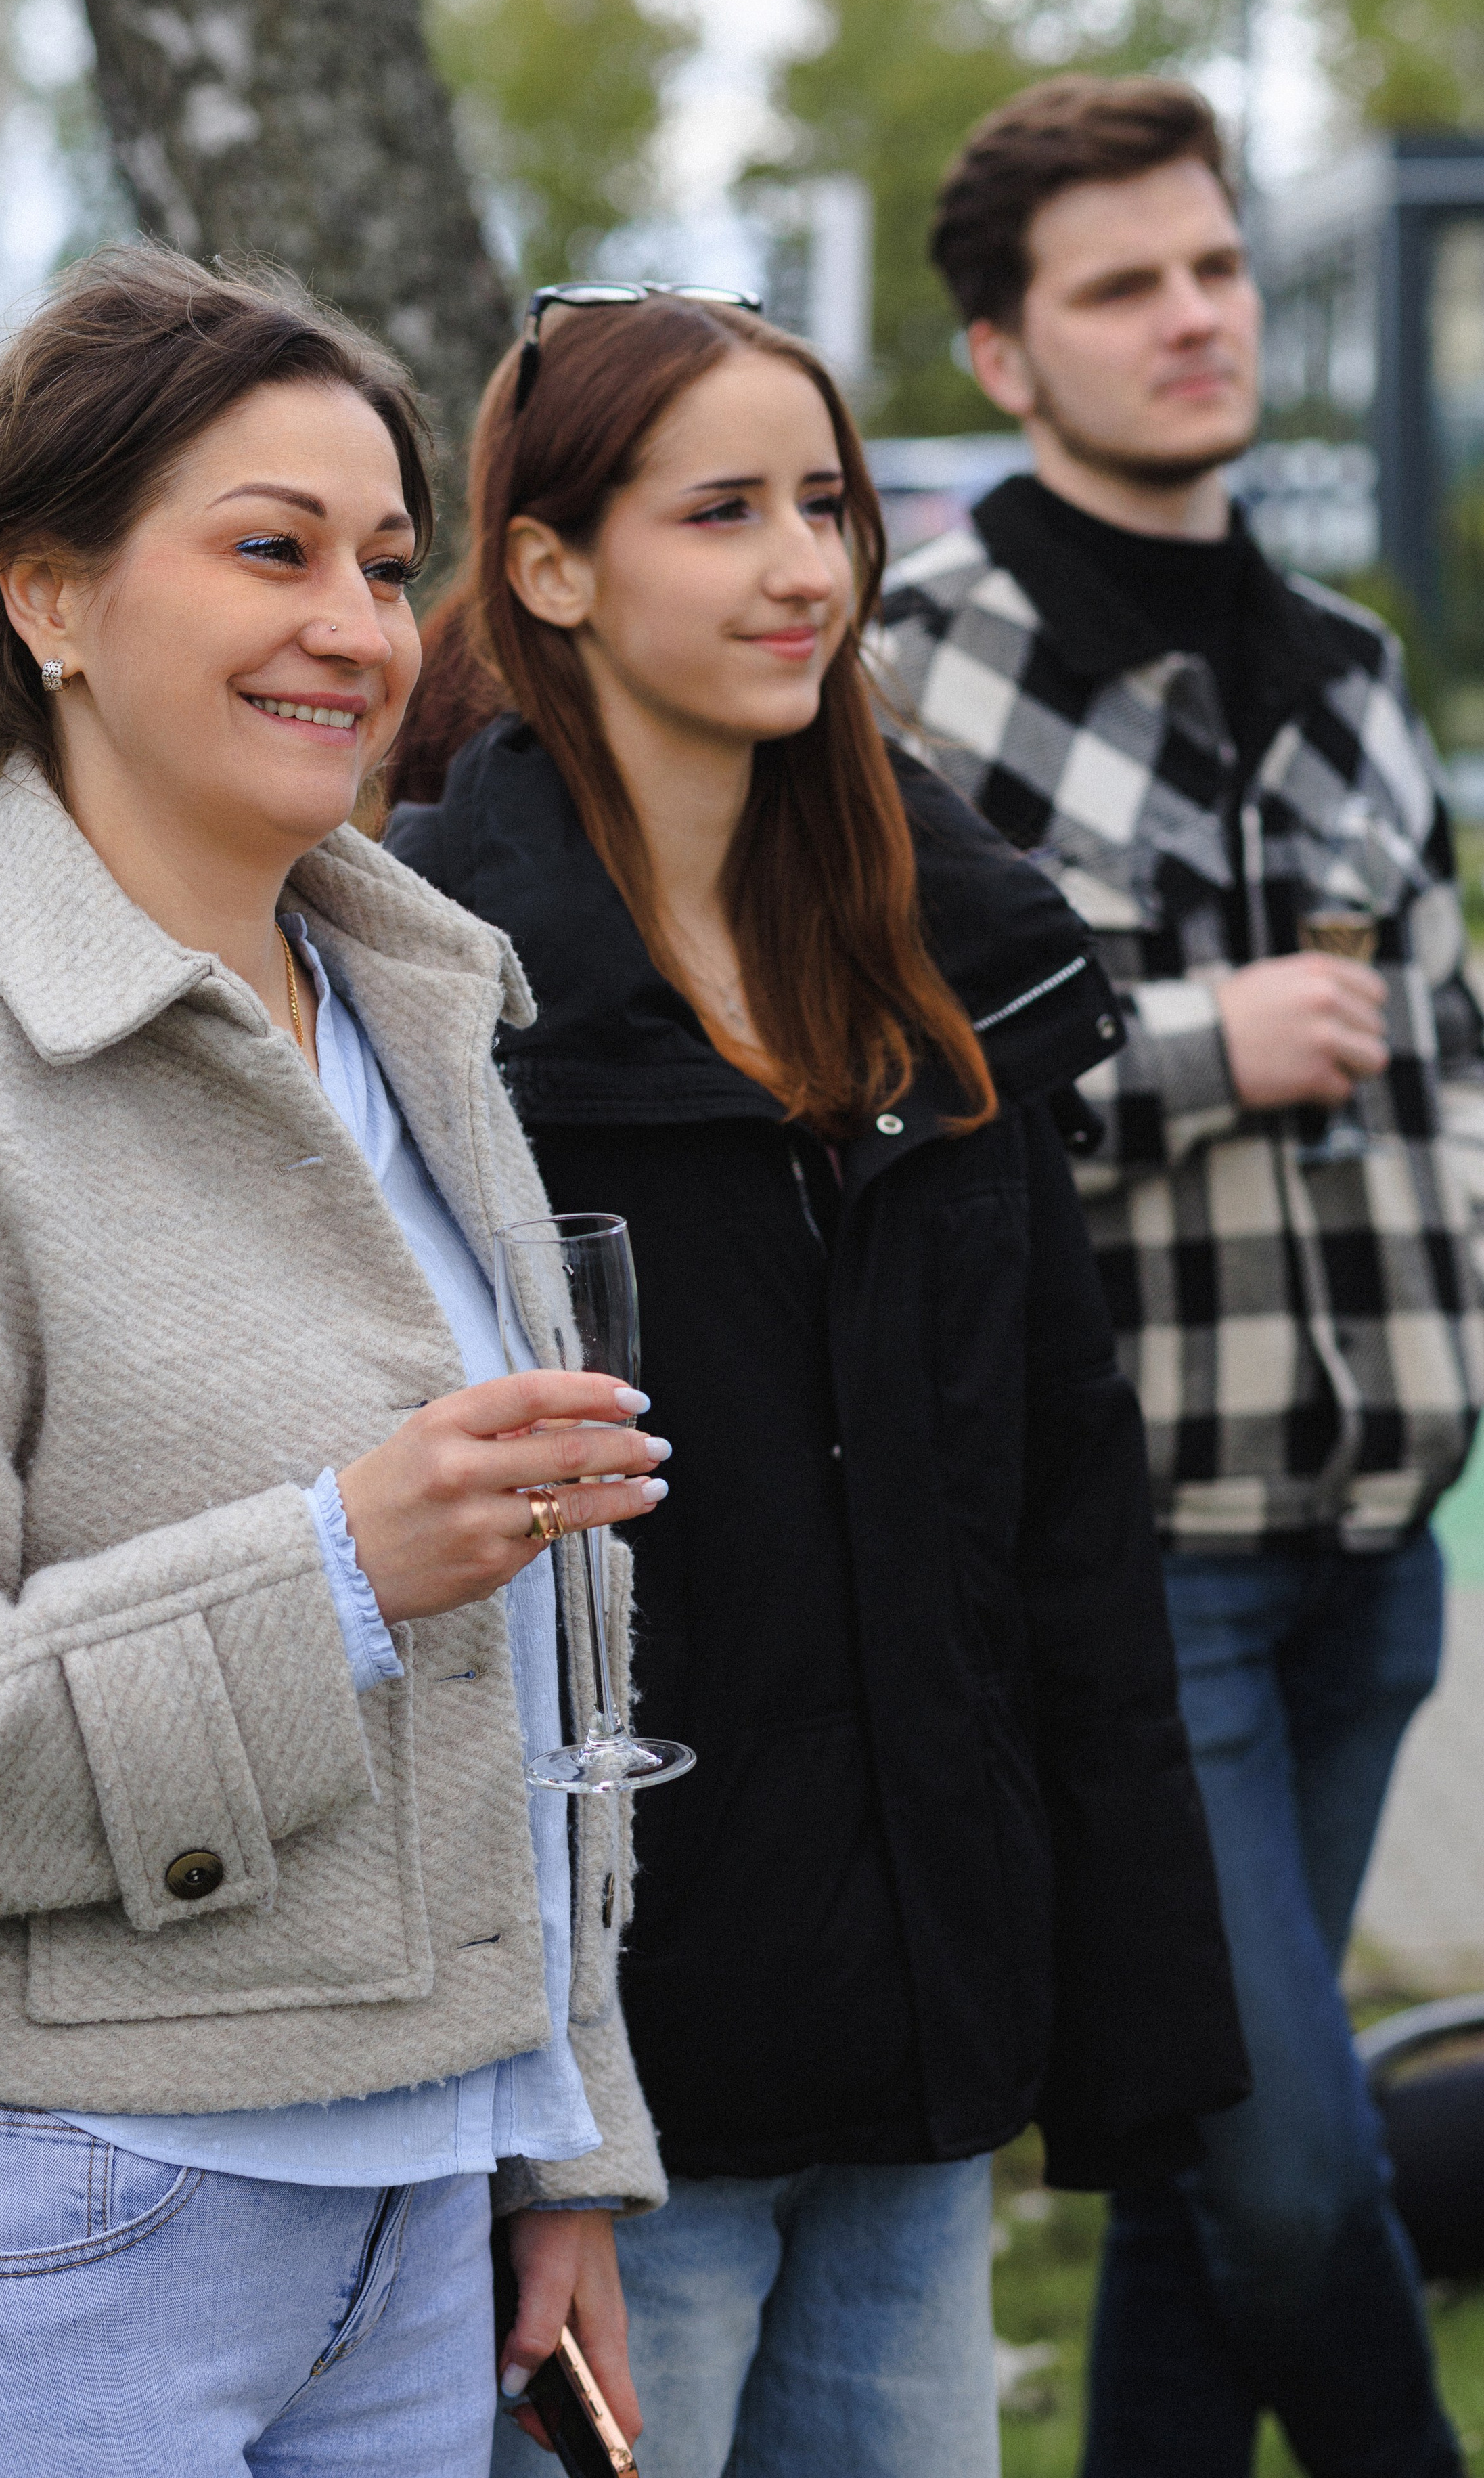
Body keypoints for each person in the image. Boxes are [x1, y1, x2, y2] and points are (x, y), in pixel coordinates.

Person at [0, 244, 675, 2477]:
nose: (358, 627)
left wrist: (551, 2140)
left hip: (418, 2226)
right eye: (267, 550)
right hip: (55, 2225)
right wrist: (328, 1574)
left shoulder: (419, 1021)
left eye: (381, 561)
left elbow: (541, 1690)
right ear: (50, 598)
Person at [384, 284, 1249, 2478]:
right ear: (555, 567)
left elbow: (1060, 1508)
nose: (805, 569)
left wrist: (1124, 2018)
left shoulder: (942, 967)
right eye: (726, 512)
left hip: (925, 2048)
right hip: (614, 2094)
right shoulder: (425, 1003)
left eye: (829, 505)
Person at [877, 74, 1484, 2478]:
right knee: (1290, 2160)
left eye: (1217, 266)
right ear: (1009, 357)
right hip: (1138, 1559)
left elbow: (1441, 1050)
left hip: (1376, 1544)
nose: (1196, 317)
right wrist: (1211, 1042)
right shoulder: (909, 667)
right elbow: (882, 1072)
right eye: (1123, 286)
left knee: (1186, 2153)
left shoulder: (1342, 651)